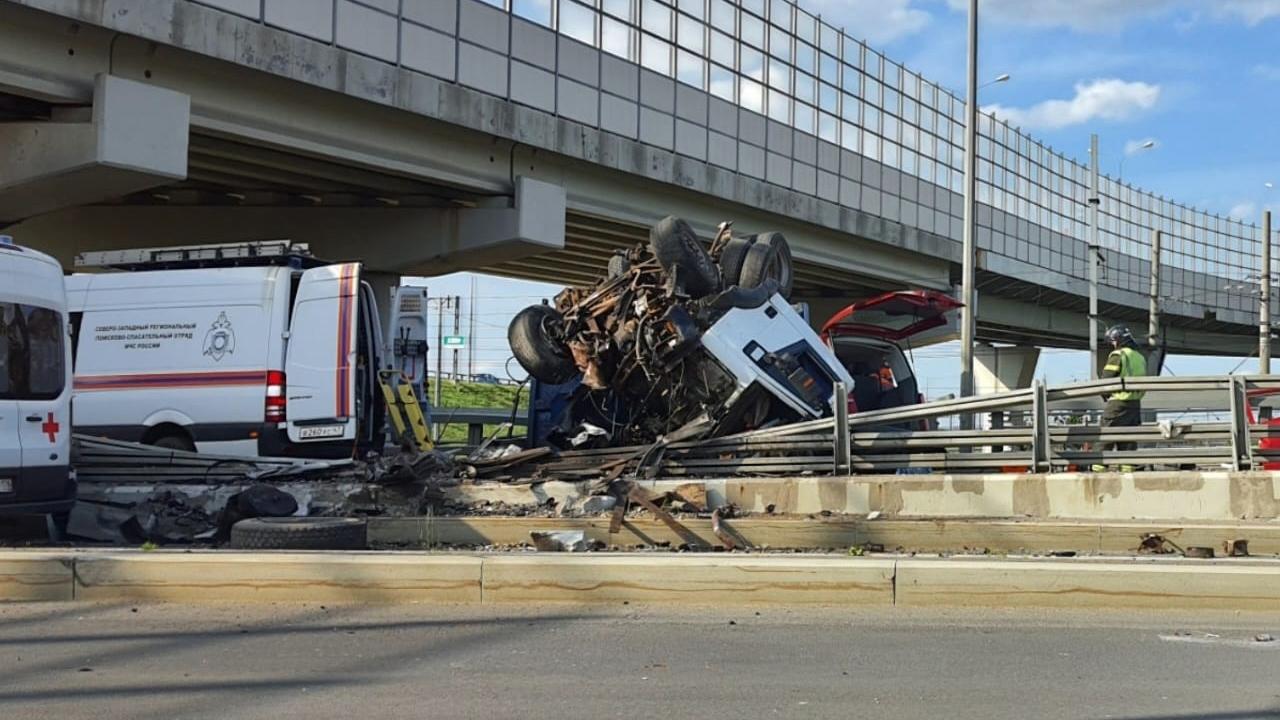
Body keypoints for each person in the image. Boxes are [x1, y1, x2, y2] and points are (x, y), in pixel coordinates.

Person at [1094, 325, 1147, 471]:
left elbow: (1107, 378)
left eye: (1112, 341)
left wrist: (1104, 394)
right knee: (1128, 438)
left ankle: (1098, 469)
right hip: (1135, 403)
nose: (1112, 344)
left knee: (1106, 433)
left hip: (1119, 401)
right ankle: (1127, 471)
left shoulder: (1118, 355)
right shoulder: (1140, 357)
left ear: (1118, 340)